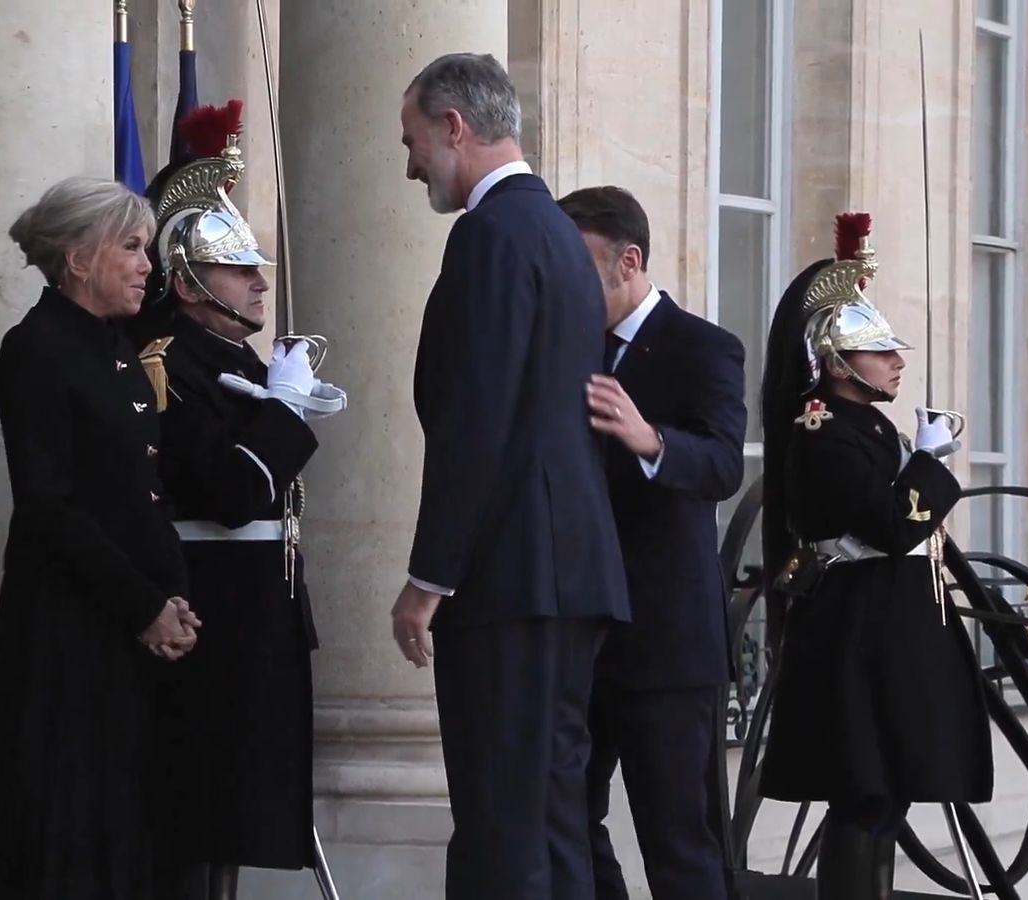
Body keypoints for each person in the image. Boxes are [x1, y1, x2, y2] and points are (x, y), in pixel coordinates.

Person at [390, 52, 631, 900]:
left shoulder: (493, 233)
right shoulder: (559, 234)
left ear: (456, 127)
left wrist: (429, 576)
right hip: (566, 573)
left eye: (416, 139)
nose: (411, 161)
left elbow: (477, 417)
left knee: (502, 825)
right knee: (554, 819)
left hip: (513, 578)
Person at [136, 101, 344, 900]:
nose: (260, 283)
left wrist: (283, 400)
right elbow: (232, 493)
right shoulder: (166, 362)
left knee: (235, 819)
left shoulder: (236, 358)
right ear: (187, 280)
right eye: (238, 268)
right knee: (195, 819)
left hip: (257, 614)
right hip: (208, 612)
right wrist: (284, 412)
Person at [0, 175, 203, 900]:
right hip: (70, 625)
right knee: (65, 822)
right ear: (77, 259)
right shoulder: (36, 348)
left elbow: (144, 494)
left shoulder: (117, 352)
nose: (149, 265)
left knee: (125, 821)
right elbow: (51, 505)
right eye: (132, 247)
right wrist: (144, 606)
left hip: (128, 624)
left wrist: (174, 600)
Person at [758, 212, 992, 899]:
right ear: (835, 360)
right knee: (862, 795)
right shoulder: (822, 432)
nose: (897, 360)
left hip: (887, 629)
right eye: (879, 350)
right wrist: (926, 460)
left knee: (887, 792)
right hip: (857, 629)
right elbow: (893, 526)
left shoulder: (861, 424)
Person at [558, 185, 745, 900]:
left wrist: (652, 441)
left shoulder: (705, 347)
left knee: (679, 839)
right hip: (580, 630)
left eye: (580, 268)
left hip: (666, 642)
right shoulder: (568, 345)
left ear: (627, 261)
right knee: (566, 811)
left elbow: (724, 465)